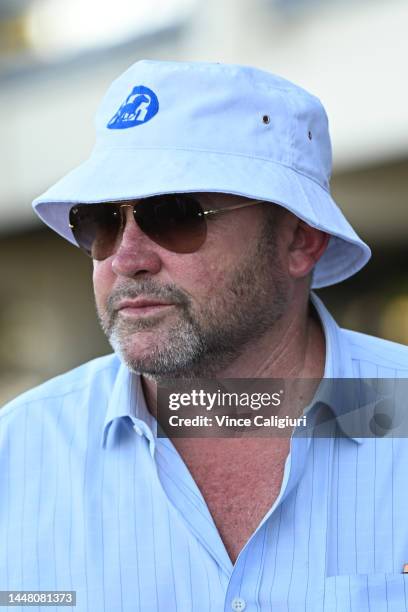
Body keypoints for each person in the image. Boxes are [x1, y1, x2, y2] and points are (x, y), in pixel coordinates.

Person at [1, 60, 408, 612]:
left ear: (300, 241)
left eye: (175, 215)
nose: (126, 257)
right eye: (101, 220)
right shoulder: (18, 454)